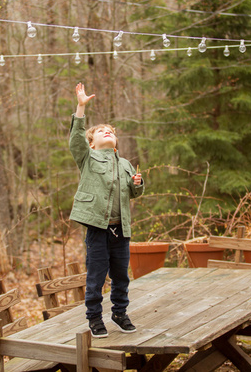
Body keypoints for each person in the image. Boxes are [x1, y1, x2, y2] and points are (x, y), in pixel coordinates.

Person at [69, 82, 144, 338]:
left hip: (120, 229)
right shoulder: (87, 158)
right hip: (97, 229)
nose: (106, 132)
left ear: (116, 141)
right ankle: (94, 318)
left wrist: (138, 183)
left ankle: (120, 313)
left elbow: (133, 193)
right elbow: (75, 140)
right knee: (97, 276)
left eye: (110, 130)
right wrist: (81, 107)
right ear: (91, 143)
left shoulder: (124, 163)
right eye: (100, 131)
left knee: (121, 275)